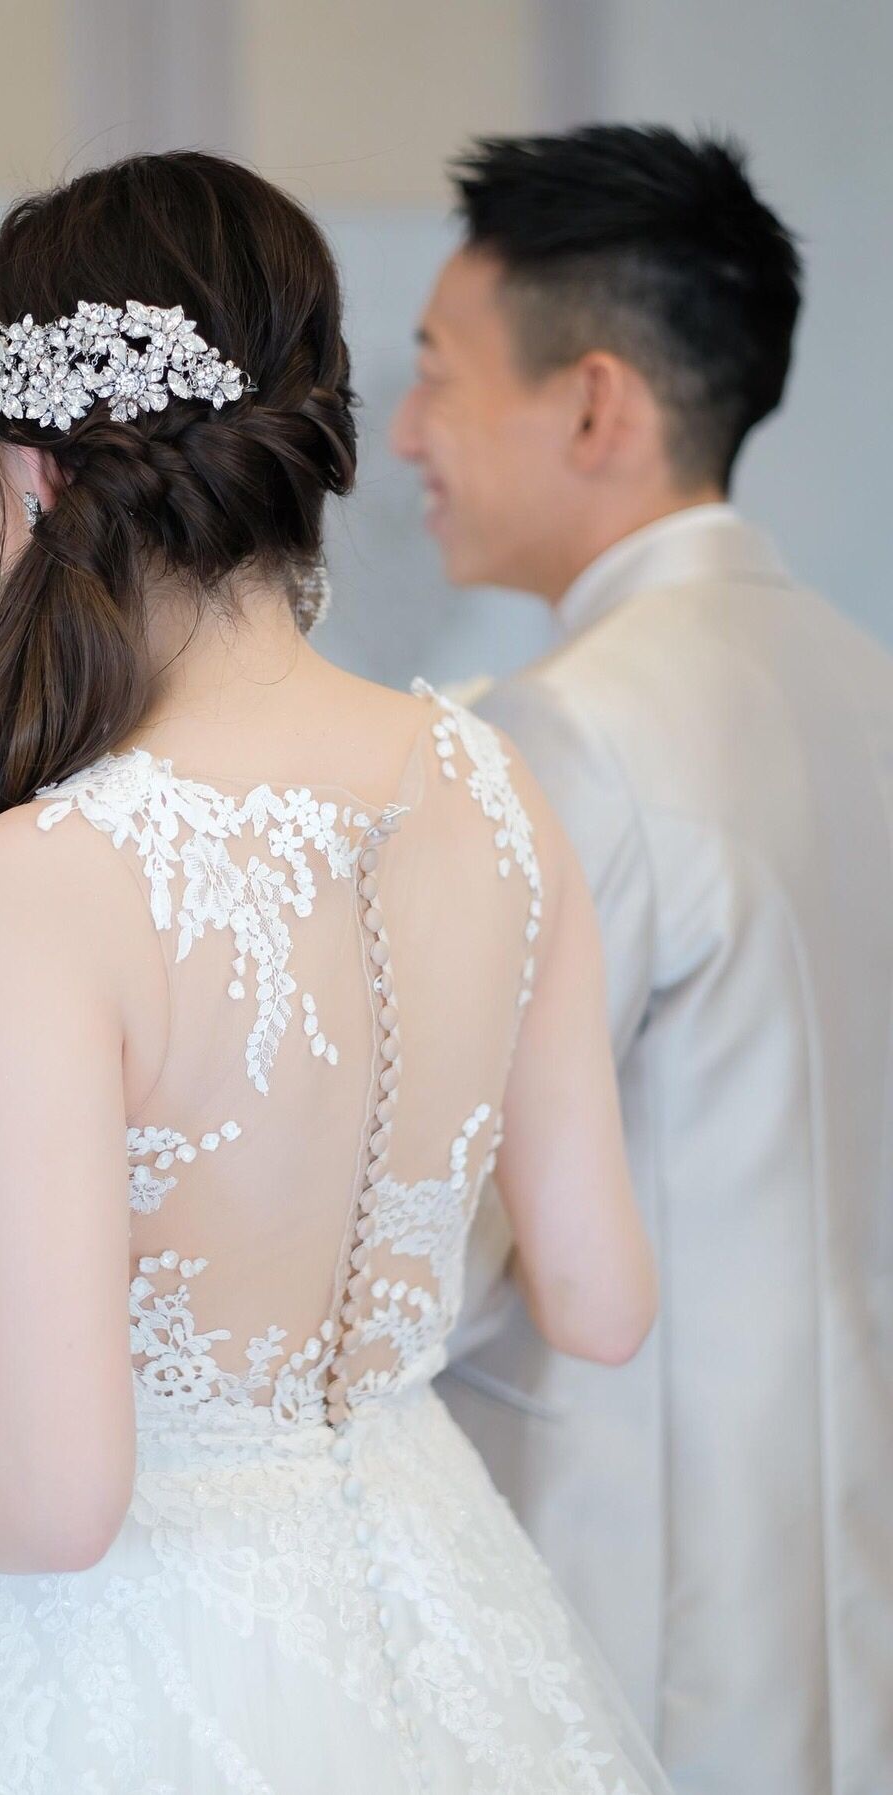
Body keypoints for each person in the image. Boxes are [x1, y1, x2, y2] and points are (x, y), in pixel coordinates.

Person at [0, 151, 666, 1794]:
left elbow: (57, 1500)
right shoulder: (497, 788)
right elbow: (604, 1305)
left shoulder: (35, 882)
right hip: (450, 1609)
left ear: (35, 473)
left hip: (134, 1663)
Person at [392, 123, 893, 1794]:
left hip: (630, 1559)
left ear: (595, 405)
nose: (408, 435)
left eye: (438, 374)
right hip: (842, 1544)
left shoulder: (569, 735)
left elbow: (445, 1228)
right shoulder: (867, 687)